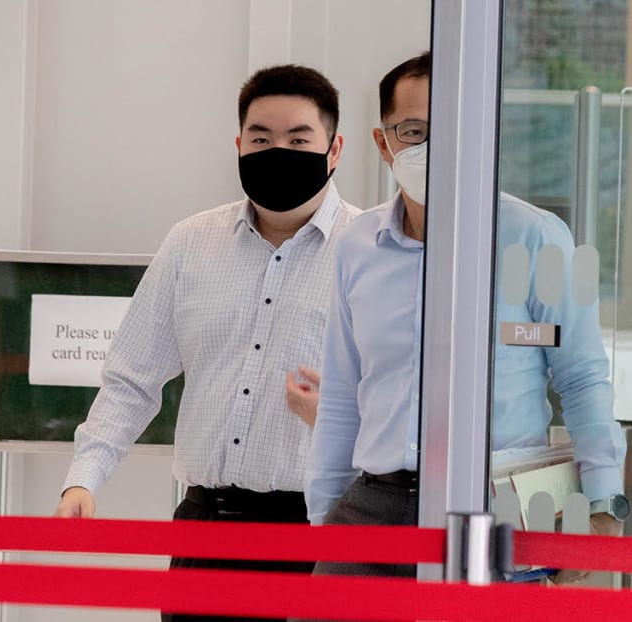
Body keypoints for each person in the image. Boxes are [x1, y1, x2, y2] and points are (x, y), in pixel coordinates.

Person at [304, 51, 627, 588]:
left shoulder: (537, 239)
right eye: (415, 131)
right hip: (374, 505)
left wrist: (600, 510)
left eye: (455, 128)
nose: (436, 148)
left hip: (496, 503)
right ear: (383, 144)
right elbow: (342, 392)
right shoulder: (358, 247)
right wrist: (323, 516)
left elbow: (583, 378)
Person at [54, 64, 360, 622]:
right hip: (206, 527)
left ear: (334, 148)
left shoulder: (369, 252)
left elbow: (408, 405)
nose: (278, 152)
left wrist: (340, 415)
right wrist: (84, 477)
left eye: (299, 139)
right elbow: (131, 378)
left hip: (322, 532)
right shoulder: (191, 242)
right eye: (261, 139)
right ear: (238, 145)